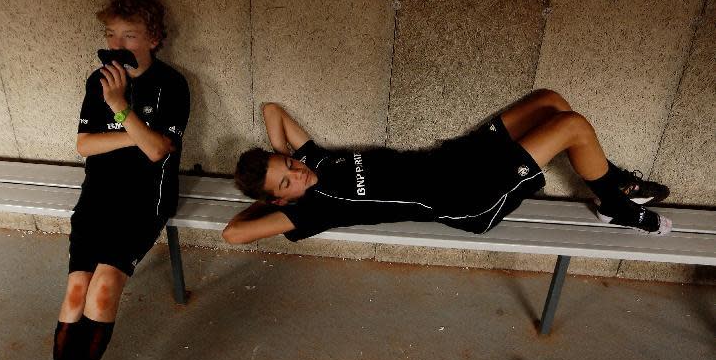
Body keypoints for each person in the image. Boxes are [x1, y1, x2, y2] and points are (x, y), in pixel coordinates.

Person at [4, 0, 190, 360]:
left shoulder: (172, 85)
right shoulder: (99, 80)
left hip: (143, 203)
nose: (116, 46)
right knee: (75, 292)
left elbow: (158, 151)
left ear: (153, 38)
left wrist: (121, 111)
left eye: (128, 35)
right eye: (110, 36)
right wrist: (129, 129)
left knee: (105, 287)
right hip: (98, 200)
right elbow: (84, 146)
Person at [223, 90, 671, 246]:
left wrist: (277, 161)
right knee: (571, 126)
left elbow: (272, 109)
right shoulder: (313, 210)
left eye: (288, 164)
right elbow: (233, 234)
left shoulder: (313, 161)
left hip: (458, 158)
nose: (297, 174)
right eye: (287, 182)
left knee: (550, 102)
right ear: (281, 198)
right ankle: (616, 201)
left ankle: (612, 187)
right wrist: (269, 205)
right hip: (469, 197)